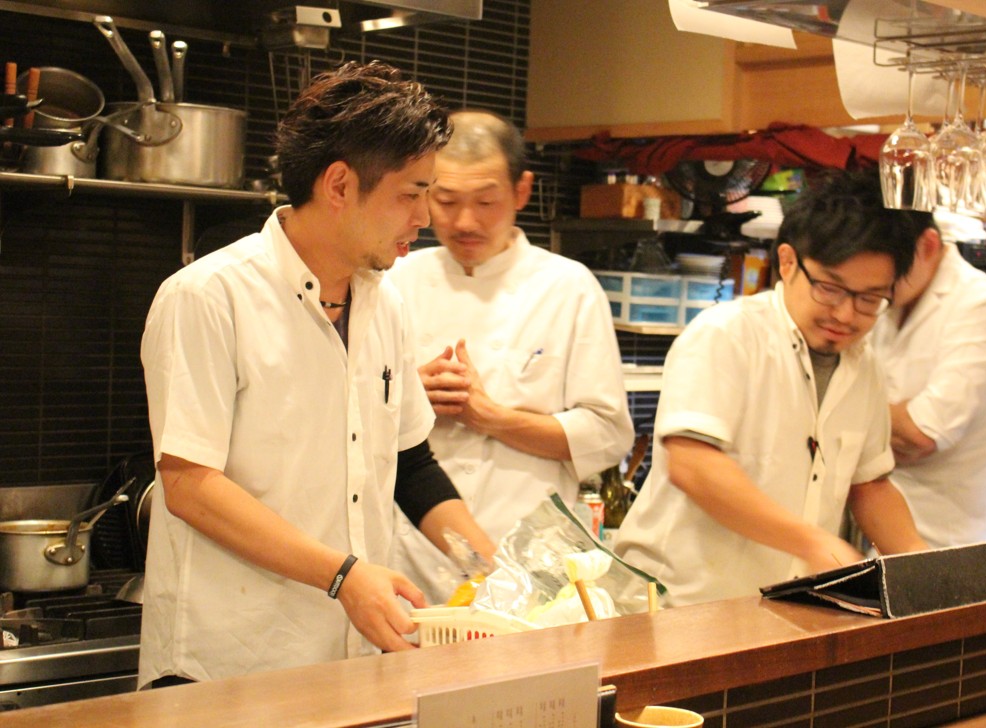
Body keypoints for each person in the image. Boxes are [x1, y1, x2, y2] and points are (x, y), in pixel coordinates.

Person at [138, 61, 495, 687]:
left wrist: (496, 570)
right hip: (226, 668)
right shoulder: (206, 296)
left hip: (347, 663)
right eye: (411, 194)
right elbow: (190, 485)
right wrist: (343, 575)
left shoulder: (385, 303)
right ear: (338, 185)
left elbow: (411, 464)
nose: (425, 217)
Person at [613, 170, 929, 607]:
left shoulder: (864, 366)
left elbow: (869, 485)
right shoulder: (728, 335)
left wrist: (922, 563)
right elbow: (692, 464)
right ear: (786, 262)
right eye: (830, 288)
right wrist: (812, 542)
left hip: (781, 610)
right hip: (679, 606)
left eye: (869, 300)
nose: (846, 314)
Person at [386, 110, 634, 604]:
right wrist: (410, 396)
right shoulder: (393, 279)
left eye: (485, 201)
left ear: (521, 191)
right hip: (407, 557)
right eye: (446, 200)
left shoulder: (567, 287)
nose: (464, 221)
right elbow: (348, 417)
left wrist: (491, 418)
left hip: (525, 563)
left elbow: (608, 436)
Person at [870, 215, 986, 555]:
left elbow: (920, 435)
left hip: (971, 546)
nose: (879, 282)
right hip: (890, 537)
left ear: (928, 244)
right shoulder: (888, 300)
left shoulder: (984, 305)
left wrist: (846, 422)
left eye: (892, 267)